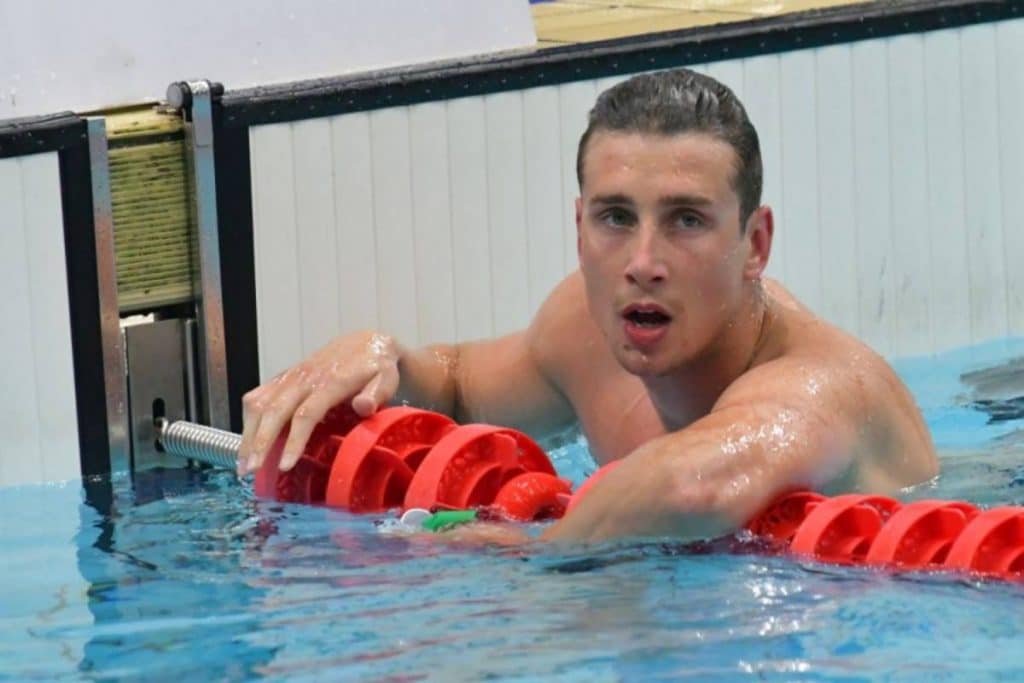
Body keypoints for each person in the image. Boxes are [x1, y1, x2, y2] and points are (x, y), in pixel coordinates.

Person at [237, 68, 938, 543]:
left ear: (755, 243)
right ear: (579, 229)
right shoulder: (585, 325)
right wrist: (379, 356)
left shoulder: (821, 384)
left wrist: (539, 552)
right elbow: (457, 387)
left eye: (687, 220)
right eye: (616, 217)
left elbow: (692, 487)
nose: (643, 260)